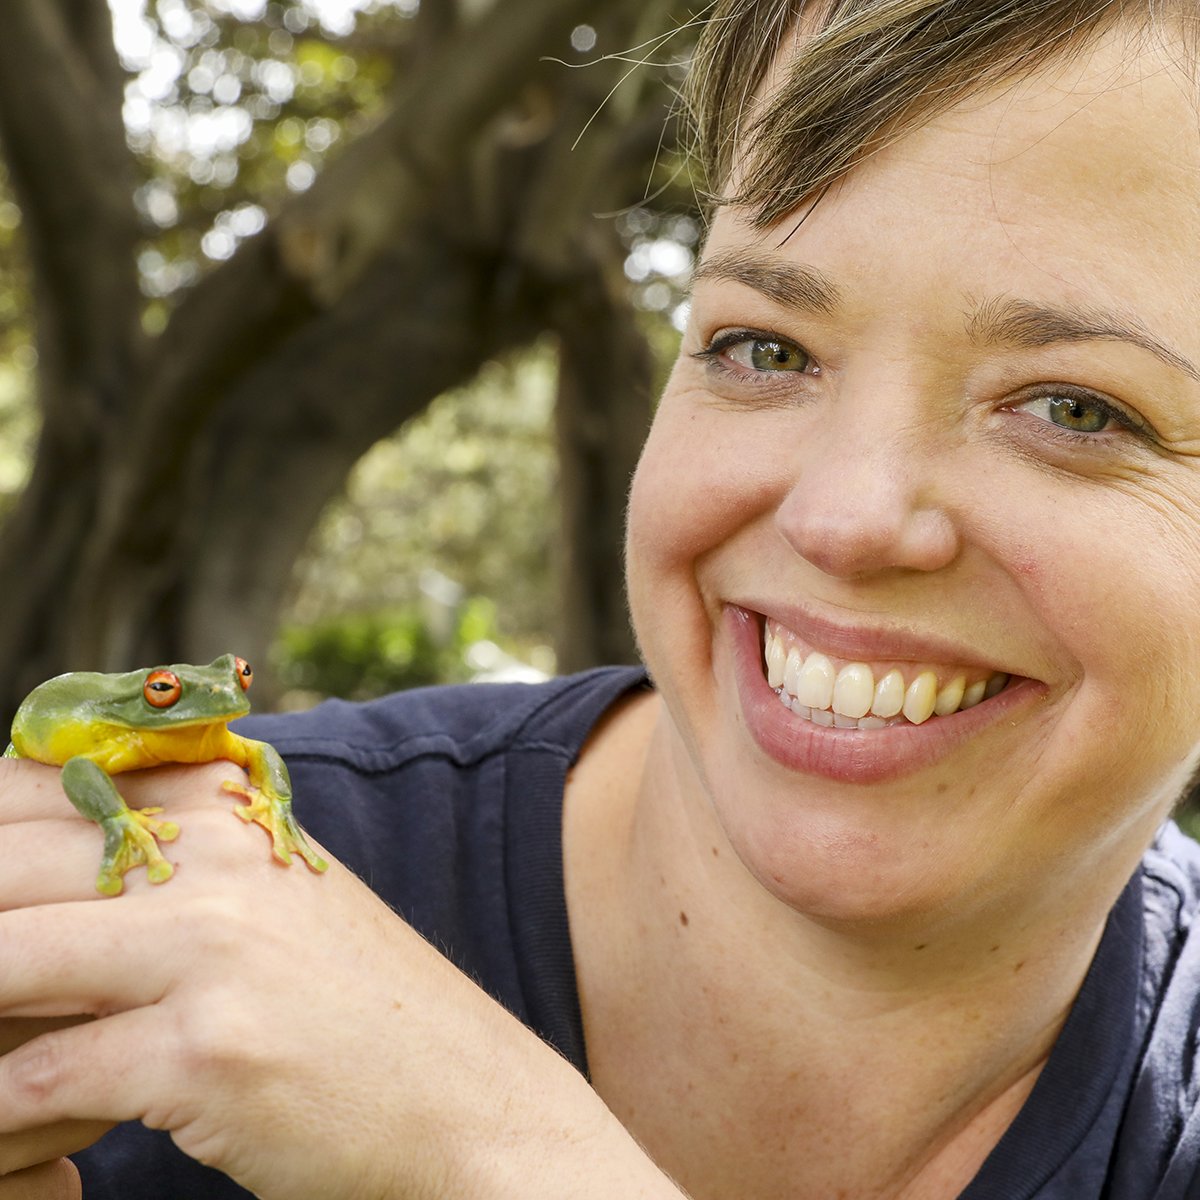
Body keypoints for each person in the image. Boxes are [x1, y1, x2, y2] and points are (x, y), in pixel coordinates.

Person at [1, 0, 1199, 1196]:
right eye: (765, 348)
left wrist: (500, 1157)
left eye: (1077, 409)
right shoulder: (107, 924)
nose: (841, 519)